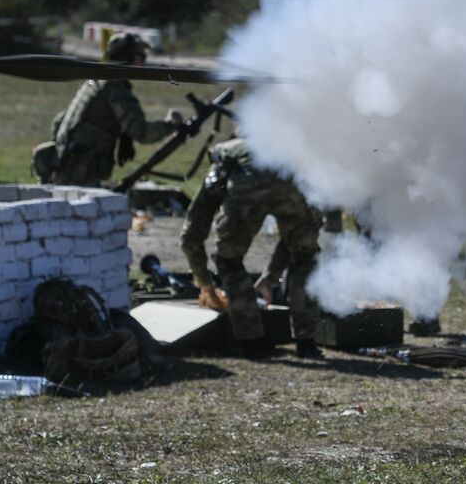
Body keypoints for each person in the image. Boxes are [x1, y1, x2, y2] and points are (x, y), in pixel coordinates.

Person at [181, 137, 324, 358]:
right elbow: (294, 238)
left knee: (229, 261)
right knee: (304, 255)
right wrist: (270, 276)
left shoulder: (225, 157)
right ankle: (306, 343)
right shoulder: (285, 148)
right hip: (292, 182)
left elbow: (192, 233)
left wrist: (205, 284)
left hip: (247, 185)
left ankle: (252, 343)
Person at [39, 32, 183, 187]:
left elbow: (60, 121)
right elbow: (142, 132)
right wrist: (171, 124)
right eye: (140, 56)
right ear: (129, 57)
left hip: (65, 167)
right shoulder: (114, 87)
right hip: (79, 175)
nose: (143, 62)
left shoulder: (96, 80)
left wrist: (122, 134)